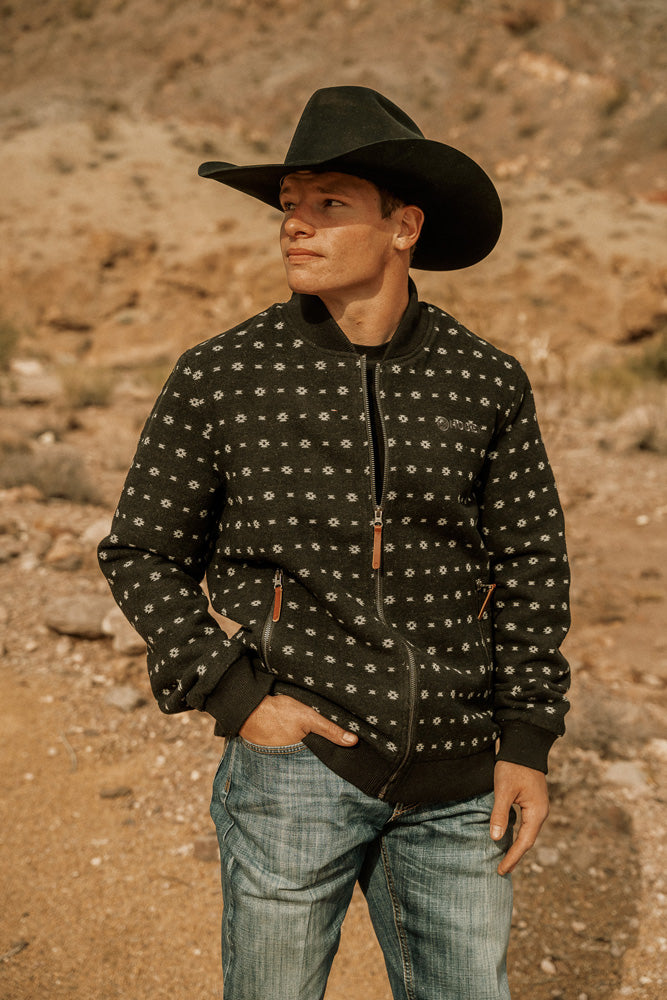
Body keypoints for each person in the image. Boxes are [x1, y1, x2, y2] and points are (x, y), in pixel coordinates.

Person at [98, 86, 570, 1000]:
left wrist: (526, 741)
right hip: (295, 766)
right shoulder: (221, 375)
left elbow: (530, 567)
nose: (295, 227)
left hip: (459, 780)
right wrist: (238, 697)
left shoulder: (486, 382)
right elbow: (140, 552)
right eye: (288, 206)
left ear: (404, 228)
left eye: (329, 205)